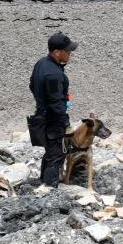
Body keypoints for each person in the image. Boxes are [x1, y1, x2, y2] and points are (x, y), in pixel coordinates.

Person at [29, 33, 78, 187]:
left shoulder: (42, 63)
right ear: (57, 52)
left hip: (42, 115)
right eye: (67, 50)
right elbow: (57, 103)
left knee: (50, 152)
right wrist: (66, 125)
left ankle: (42, 184)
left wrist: (41, 101)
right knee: (56, 156)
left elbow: (32, 84)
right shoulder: (54, 74)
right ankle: (50, 190)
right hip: (53, 120)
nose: (70, 52)